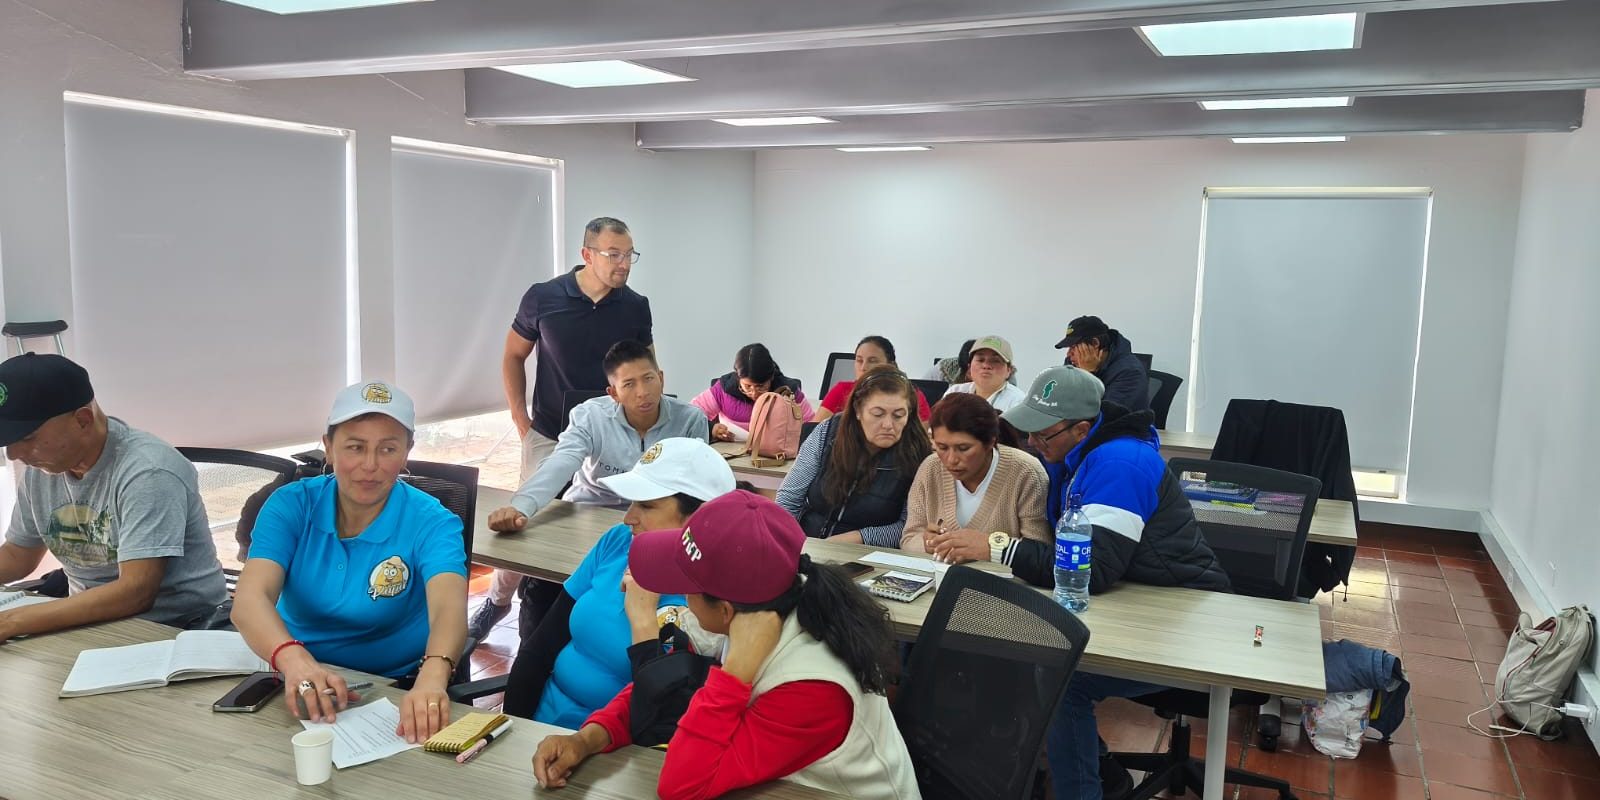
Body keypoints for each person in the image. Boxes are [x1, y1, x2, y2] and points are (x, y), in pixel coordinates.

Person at [531, 491, 921, 800]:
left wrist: (732, 676)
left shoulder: (812, 687)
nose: (681, 598)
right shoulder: (766, 601)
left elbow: (681, 785)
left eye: (686, 588)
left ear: (725, 610)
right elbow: (663, 688)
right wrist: (587, 739)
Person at [1000, 366, 1230, 800]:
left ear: (1081, 428)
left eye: (1042, 435)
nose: (1031, 443)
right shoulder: (1079, 456)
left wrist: (1001, 549)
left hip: (1185, 621)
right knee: (1033, 659)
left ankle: (1091, 785)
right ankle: (1100, 770)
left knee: (1063, 680)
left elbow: (1093, 570)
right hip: (1144, 601)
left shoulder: (1119, 464)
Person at [232, 380, 467, 744]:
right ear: (328, 447)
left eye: (388, 449)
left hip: (392, 688)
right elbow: (249, 600)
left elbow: (448, 610)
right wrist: (294, 661)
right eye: (355, 447)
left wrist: (433, 677)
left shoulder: (433, 522)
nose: (370, 466)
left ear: (407, 452)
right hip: (292, 676)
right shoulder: (291, 505)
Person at [479, 216, 653, 640]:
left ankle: (571, 615)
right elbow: (512, 356)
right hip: (550, 434)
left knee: (600, 528)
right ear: (586, 254)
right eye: (614, 254)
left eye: (629, 254)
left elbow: (646, 368)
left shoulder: (635, 305)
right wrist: (521, 421)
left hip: (610, 438)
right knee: (524, 522)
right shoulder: (544, 298)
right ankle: (497, 603)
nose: (624, 264)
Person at [502, 438, 736, 727]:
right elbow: (540, 648)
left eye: (646, 505)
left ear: (700, 518)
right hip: (543, 719)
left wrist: (644, 618)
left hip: (617, 742)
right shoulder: (619, 541)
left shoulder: (715, 602)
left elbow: (665, 715)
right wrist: (513, 725)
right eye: (632, 501)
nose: (628, 518)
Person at [0, 354, 226, 642]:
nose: (14, 454)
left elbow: (135, 592)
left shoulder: (149, 471)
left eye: (27, 438)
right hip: (91, 624)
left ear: (83, 420)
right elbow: (18, 555)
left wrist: (13, 621)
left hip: (178, 630)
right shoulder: (42, 470)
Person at [485, 340, 709, 539]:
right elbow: (562, 461)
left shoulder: (690, 420)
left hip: (653, 518)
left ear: (661, 378)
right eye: (629, 384)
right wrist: (521, 506)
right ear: (613, 393)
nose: (643, 392)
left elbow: (696, 486)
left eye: (648, 379)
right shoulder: (590, 416)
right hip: (589, 508)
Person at [775, 367, 931, 547]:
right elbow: (788, 499)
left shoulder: (917, 454)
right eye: (878, 414)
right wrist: (789, 544)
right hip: (808, 542)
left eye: (899, 415)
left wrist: (859, 538)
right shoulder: (829, 432)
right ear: (858, 410)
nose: (888, 424)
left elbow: (909, 529)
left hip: (869, 554)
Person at [901, 392, 1050, 560]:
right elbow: (909, 538)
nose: (951, 459)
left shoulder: (1026, 472)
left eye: (963, 448)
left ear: (990, 442)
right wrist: (928, 544)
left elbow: (1038, 552)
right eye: (942, 447)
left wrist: (991, 549)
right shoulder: (930, 468)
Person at [691, 343, 815, 443]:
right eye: (747, 386)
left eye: (760, 386)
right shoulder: (724, 390)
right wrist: (711, 428)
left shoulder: (788, 392)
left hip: (775, 457)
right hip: (730, 454)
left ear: (771, 378)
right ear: (738, 378)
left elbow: (811, 426)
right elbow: (691, 416)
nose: (754, 393)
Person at [812, 336, 931, 423]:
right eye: (859, 360)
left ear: (890, 365)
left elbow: (920, 440)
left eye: (873, 361)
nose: (863, 367)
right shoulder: (842, 390)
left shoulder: (910, 395)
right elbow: (812, 432)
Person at [1055, 315, 1150, 412]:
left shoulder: (1130, 372)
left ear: (1095, 343)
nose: (1069, 354)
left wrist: (1087, 375)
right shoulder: (1073, 362)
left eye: (1074, 347)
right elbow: (1060, 399)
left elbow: (1100, 415)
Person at [945, 334, 1025, 412]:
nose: (986, 366)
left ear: (1009, 370)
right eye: (980, 360)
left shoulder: (1019, 402)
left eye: (995, 361)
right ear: (969, 367)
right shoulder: (955, 392)